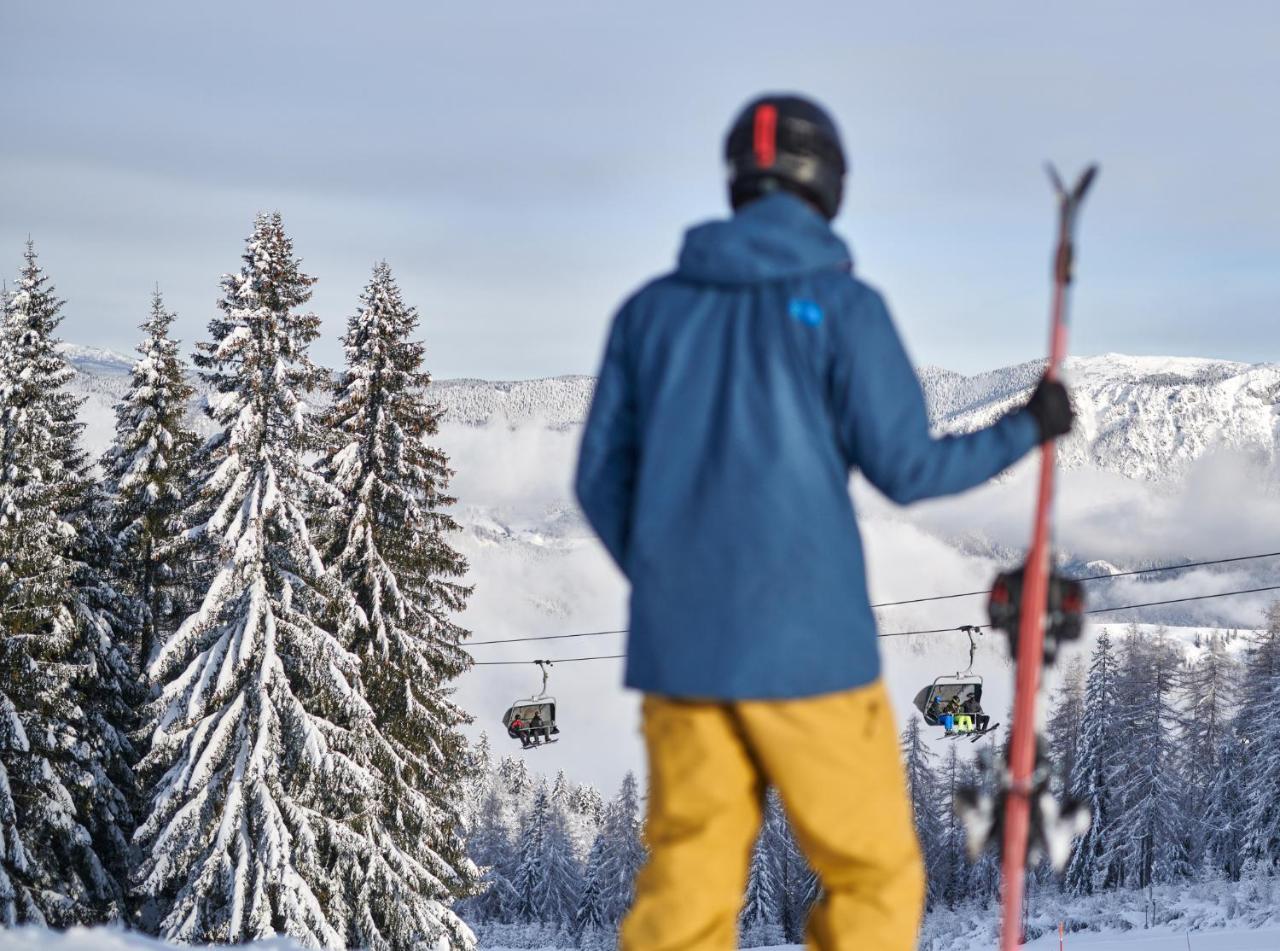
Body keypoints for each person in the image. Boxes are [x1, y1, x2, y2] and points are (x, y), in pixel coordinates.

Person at [575, 92, 1074, 951]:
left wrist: (673, 582)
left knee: (686, 887)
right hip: (812, 650)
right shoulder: (845, 308)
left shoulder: (647, 313)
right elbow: (911, 468)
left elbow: (597, 480)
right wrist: (1029, 425)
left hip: (683, 655)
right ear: (828, 183)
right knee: (871, 876)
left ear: (738, 180)